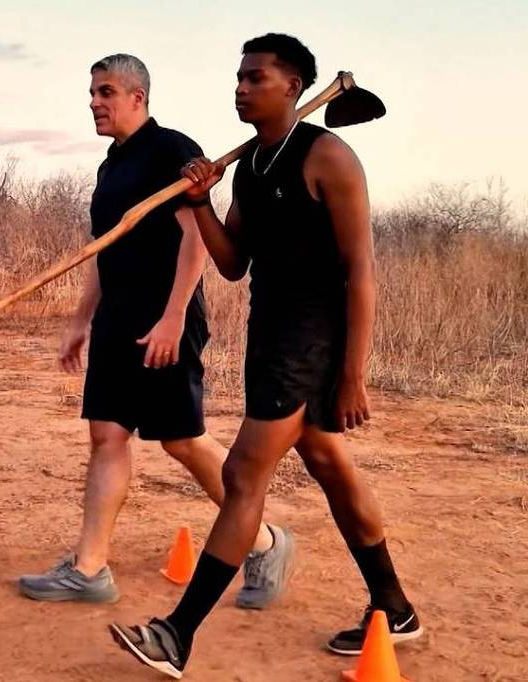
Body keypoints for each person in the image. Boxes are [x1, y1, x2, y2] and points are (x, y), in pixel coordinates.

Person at [110, 35, 423, 679]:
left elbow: (361, 271)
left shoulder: (329, 157)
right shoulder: (251, 165)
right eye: (238, 78)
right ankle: (393, 606)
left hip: (313, 339)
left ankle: (177, 633)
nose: (241, 88)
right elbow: (231, 264)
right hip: (270, 331)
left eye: (256, 78)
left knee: (244, 475)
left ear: (293, 87)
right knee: (331, 465)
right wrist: (198, 202)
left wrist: (353, 375)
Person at [18, 53, 294, 610]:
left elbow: (195, 238)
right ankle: (89, 570)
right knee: (107, 436)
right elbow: (104, 250)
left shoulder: (171, 150)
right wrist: (80, 322)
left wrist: (173, 317)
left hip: (167, 321)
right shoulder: (109, 167)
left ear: (137, 97)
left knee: (182, 439)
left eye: (106, 92)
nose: (94, 102)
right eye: (92, 92)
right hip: (116, 322)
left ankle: (264, 542)